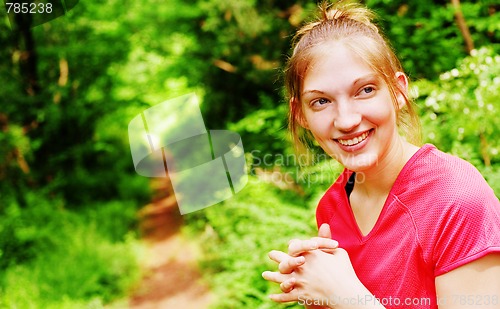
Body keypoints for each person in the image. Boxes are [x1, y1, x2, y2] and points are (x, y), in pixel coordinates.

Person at [261, 1, 500, 308]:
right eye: (321, 101)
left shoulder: (457, 200)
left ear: (399, 91)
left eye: (366, 90)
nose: (346, 120)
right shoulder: (331, 209)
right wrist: (319, 291)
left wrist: (346, 297)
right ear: (301, 115)